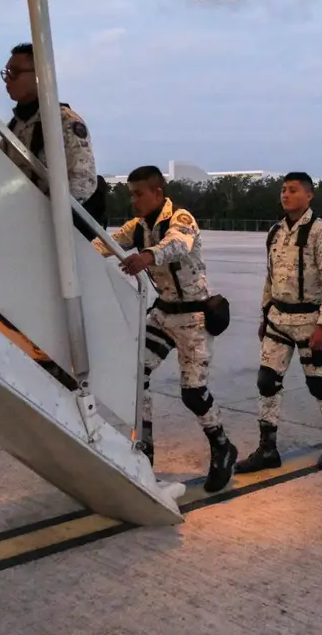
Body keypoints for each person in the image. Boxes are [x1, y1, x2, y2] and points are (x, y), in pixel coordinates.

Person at [92, 166, 237, 491]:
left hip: (194, 318)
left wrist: (147, 257)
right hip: (163, 313)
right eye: (130, 194)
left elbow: (179, 246)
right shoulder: (138, 226)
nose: (133, 201)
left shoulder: (180, 219)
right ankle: (144, 453)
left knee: (194, 394)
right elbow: (107, 243)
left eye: (138, 194)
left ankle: (223, 447)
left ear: (158, 193)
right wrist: (80, 249)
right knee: (136, 372)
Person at [236, 172, 322, 473]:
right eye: (283, 190)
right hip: (278, 320)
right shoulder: (275, 231)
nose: (285, 195)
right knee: (267, 382)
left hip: (310, 321)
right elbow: (270, 278)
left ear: (309, 195)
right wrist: (264, 315)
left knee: (318, 384)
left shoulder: (320, 231)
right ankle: (267, 448)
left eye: (293, 190)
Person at [0, 43, 97, 203]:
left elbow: (83, 183)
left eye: (15, 72)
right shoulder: (14, 127)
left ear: (40, 75)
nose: (7, 80)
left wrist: (46, 214)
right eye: (6, 73)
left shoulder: (64, 122)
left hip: (51, 222)